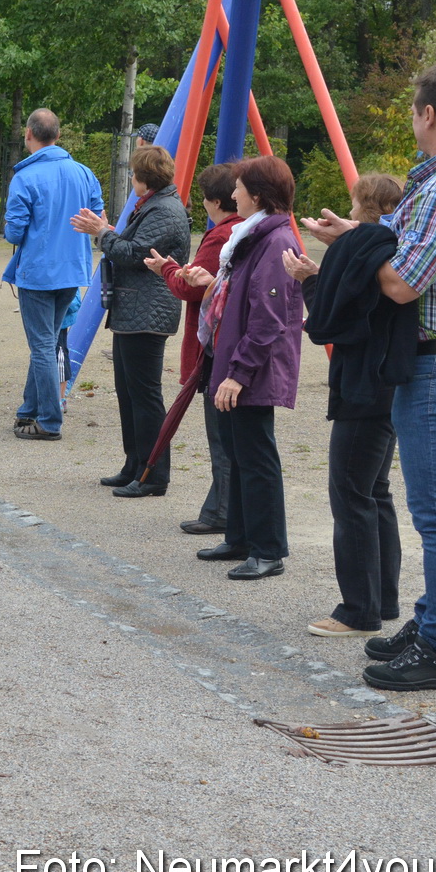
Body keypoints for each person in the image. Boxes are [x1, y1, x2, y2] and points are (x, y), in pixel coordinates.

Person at [304, 65, 436, 692]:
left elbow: (401, 282)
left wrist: (356, 254)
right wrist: (361, 235)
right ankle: (433, 621)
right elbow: (418, 251)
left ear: (428, 114)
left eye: (413, 112)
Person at [284, 174, 414, 638]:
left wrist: (311, 280)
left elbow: (334, 320)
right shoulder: (396, 246)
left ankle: (359, 610)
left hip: (365, 384)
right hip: (391, 381)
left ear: (364, 206)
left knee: (351, 493)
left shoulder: (365, 251)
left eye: (354, 204)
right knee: (375, 491)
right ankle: (384, 598)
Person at [176, 156, 303, 581]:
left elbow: (268, 319)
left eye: (240, 188)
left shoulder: (274, 242)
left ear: (259, 194)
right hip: (232, 361)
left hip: (251, 369)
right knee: (239, 451)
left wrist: (238, 373)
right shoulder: (253, 237)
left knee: (256, 455)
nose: (233, 195)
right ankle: (241, 537)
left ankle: (268, 549)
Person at [72, 145, 189, 497]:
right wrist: (107, 231)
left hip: (148, 312)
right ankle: (133, 465)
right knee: (129, 392)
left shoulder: (165, 210)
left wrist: (102, 233)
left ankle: (153, 474)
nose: (131, 180)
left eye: (133, 175)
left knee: (145, 396)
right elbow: (131, 246)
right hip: (135, 310)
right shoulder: (155, 205)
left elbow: (135, 254)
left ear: (143, 178)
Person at [145, 164, 241, 537]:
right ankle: (222, 508)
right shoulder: (237, 230)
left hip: (215, 345)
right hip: (223, 342)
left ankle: (222, 511)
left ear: (215, 201)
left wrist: (166, 270)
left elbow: (192, 287)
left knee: (221, 436)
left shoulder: (221, 235)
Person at [3, 108, 104, 441]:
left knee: (43, 346)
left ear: (28, 134)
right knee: (46, 343)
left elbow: (14, 233)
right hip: (73, 270)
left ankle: (49, 420)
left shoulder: (25, 177)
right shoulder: (84, 173)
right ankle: (29, 410)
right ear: (58, 136)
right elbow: (98, 218)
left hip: (38, 273)